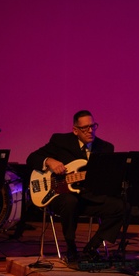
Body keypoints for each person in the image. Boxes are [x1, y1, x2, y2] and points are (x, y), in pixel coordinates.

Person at [26, 110, 126, 263]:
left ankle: (92, 247)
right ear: (75, 130)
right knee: (70, 201)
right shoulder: (60, 141)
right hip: (60, 196)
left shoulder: (105, 148)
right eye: (85, 128)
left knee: (121, 206)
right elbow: (32, 158)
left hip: (89, 198)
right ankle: (71, 247)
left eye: (93, 126)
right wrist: (49, 161)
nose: (90, 131)